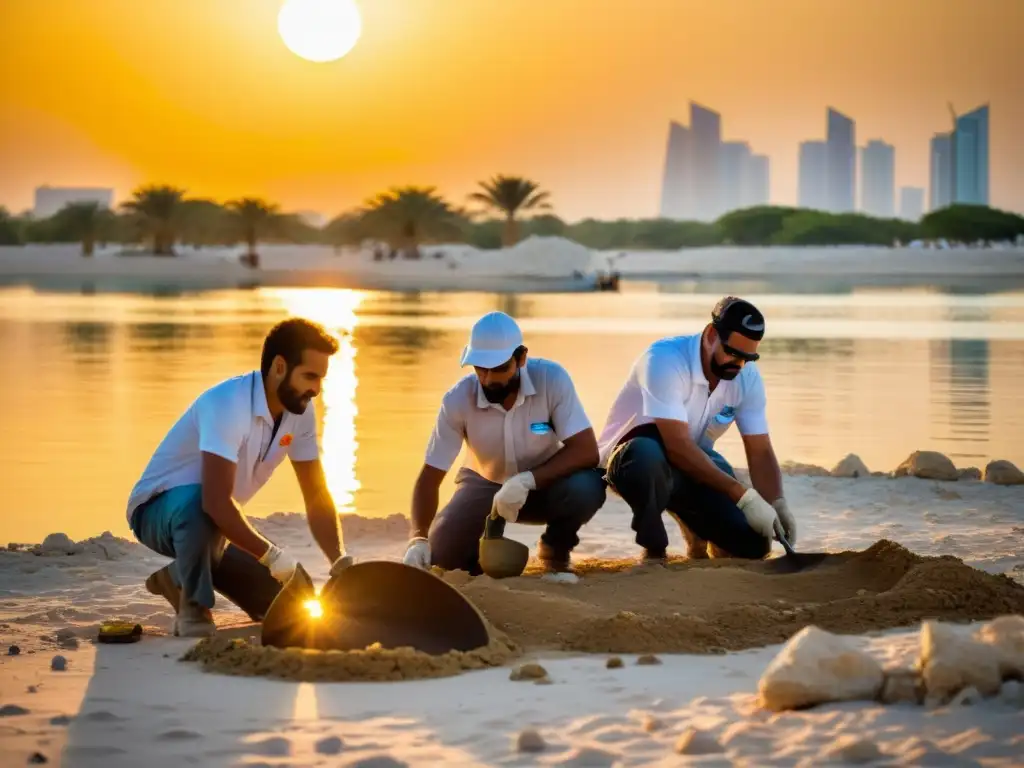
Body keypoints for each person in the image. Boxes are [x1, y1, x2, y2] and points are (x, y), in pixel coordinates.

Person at [126, 317, 354, 637]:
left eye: (321, 379)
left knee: (287, 608)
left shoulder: (300, 411)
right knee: (201, 504)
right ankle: (193, 607)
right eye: (310, 376)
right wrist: (273, 555)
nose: (316, 389)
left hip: (214, 525)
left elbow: (316, 494)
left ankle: (177, 576)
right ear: (278, 367)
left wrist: (338, 560)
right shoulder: (226, 404)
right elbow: (216, 503)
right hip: (158, 511)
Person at [402, 311, 606, 577]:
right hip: (484, 483)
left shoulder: (552, 380)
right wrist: (418, 538)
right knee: (444, 556)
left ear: (521, 358)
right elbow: (429, 478)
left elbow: (586, 451)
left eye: (499, 368)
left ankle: (555, 550)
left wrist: (526, 480)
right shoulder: (457, 400)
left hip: (548, 486)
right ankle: (476, 560)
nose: (488, 379)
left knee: (587, 488)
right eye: (480, 368)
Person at [599, 296, 797, 563]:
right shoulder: (664, 359)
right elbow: (677, 446)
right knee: (645, 458)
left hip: (691, 461)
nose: (738, 364)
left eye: (747, 358)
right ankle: (654, 551)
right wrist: (743, 496)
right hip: (632, 460)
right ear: (711, 334)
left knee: (754, 545)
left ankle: (694, 525)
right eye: (732, 352)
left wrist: (776, 503)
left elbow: (760, 451)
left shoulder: (746, 378)